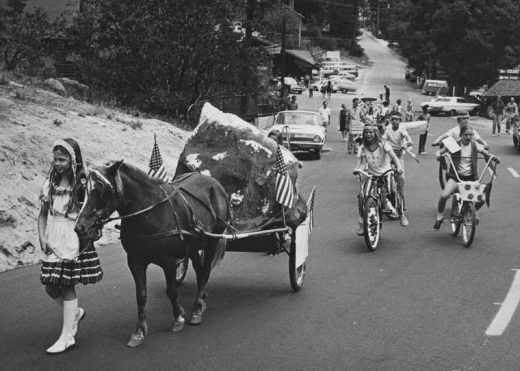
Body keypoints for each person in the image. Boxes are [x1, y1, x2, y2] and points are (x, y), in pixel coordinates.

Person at [38, 138, 103, 354]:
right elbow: (42, 215)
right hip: (53, 238)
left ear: (73, 162)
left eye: (63, 159)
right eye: (55, 159)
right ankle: (74, 313)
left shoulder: (81, 187)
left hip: (71, 239)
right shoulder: (50, 184)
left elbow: (91, 213)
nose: (57, 163)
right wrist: (42, 237)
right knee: (50, 287)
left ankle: (67, 337)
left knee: (66, 286)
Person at [433, 125, 500, 230]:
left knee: (482, 199)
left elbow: (487, 154)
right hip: (456, 177)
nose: (469, 137)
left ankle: (469, 213)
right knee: (445, 195)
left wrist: (494, 158)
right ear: (460, 135)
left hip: (471, 178)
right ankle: (440, 217)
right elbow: (440, 152)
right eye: (466, 135)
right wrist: (438, 155)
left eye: (471, 135)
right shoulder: (455, 145)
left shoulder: (475, 145)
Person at [353, 124, 404, 235]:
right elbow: (362, 164)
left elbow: (394, 157)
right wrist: (358, 170)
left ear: (375, 133)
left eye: (371, 132)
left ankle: (398, 211)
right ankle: (361, 223)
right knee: (362, 196)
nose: (368, 134)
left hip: (386, 172)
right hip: (372, 175)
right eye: (366, 132)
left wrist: (399, 167)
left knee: (391, 190)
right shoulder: (363, 147)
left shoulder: (384, 144)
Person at [382, 111, 413, 226]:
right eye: (393, 119)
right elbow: (383, 139)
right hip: (389, 156)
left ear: (400, 120)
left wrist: (407, 143)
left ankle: (402, 206)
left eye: (397, 119)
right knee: (384, 178)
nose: (394, 121)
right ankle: (385, 203)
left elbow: (408, 138)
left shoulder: (402, 129)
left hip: (399, 156)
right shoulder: (388, 129)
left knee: (401, 179)